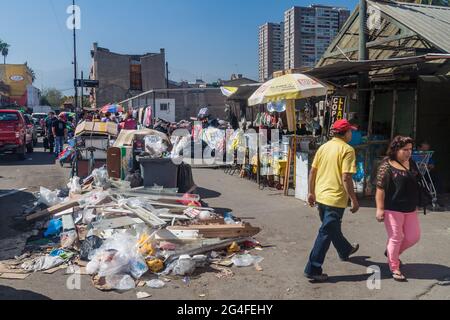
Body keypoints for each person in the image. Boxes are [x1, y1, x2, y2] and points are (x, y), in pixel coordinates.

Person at [304, 119, 360, 282]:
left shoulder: (324, 147)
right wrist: (354, 200)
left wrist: (310, 192)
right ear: (345, 133)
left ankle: (345, 250)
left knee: (330, 228)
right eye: (350, 131)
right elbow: (346, 177)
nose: (351, 133)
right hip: (335, 198)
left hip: (321, 196)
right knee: (326, 232)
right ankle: (313, 268)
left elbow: (312, 171)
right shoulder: (347, 150)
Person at [376, 136, 421, 282]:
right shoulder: (386, 165)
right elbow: (380, 189)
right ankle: (394, 267)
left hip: (410, 208)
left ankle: (391, 253)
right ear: (396, 149)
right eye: (405, 150)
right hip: (392, 208)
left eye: (410, 150)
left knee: (413, 237)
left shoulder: (412, 163)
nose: (409, 153)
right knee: (395, 237)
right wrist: (380, 209)